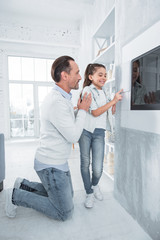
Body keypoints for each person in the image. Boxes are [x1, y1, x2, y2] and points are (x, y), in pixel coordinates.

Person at [5, 55, 92, 221]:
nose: (80, 77)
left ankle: (23, 184)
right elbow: (73, 136)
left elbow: (64, 124)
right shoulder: (57, 102)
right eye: (77, 72)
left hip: (57, 161)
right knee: (64, 212)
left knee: (68, 196)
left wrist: (77, 111)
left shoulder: (63, 98)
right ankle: (15, 195)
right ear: (65, 75)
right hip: (51, 165)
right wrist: (83, 111)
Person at [78, 63, 123, 208]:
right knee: (85, 164)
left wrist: (113, 105)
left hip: (99, 132)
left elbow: (109, 112)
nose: (103, 77)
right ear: (91, 77)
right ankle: (89, 193)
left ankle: (95, 185)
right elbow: (95, 112)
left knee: (98, 168)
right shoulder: (87, 90)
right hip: (85, 131)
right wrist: (113, 101)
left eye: (105, 75)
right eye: (100, 75)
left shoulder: (105, 92)